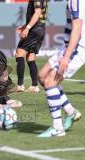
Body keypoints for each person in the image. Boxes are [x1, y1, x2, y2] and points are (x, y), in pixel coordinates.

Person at [37, 0, 84, 137]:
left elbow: (77, 27)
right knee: (42, 76)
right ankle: (71, 112)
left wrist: (67, 56)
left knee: (50, 81)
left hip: (77, 48)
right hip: (68, 46)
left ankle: (57, 127)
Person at [15, 0, 48, 92]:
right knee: (30, 57)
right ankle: (34, 86)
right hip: (40, 29)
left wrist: (28, 28)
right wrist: (25, 26)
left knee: (19, 53)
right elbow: (37, 15)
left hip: (34, 29)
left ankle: (20, 85)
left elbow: (37, 13)